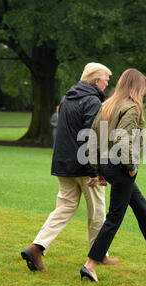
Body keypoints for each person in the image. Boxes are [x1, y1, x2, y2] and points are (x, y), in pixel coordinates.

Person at [80, 69, 146, 282]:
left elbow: (93, 139)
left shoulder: (108, 105)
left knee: (141, 206)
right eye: (144, 89)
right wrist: (131, 166)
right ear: (136, 88)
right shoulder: (131, 108)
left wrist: (100, 170)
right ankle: (90, 264)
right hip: (121, 167)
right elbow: (123, 141)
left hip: (108, 165)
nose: (144, 93)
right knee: (115, 218)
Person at [21, 62, 119, 271]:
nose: (106, 85)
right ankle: (99, 255)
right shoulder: (93, 101)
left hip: (63, 164)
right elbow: (92, 137)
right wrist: (97, 170)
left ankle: (37, 247)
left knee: (64, 208)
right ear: (96, 81)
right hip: (85, 168)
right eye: (105, 81)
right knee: (98, 212)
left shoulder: (67, 98)